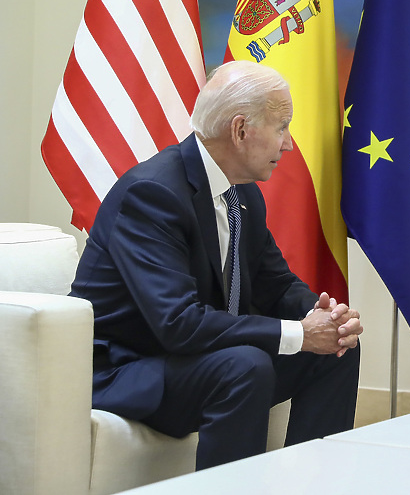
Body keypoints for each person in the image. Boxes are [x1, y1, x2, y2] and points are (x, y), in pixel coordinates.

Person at [71, 61, 362, 469]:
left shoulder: (242, 194)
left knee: (338, 350)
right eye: (281, 127)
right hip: (130, 370)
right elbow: (178, 323)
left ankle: (310, 484)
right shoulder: (153, 194)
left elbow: (276, 286)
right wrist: (299, 333)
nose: (289, 144)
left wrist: (325, 320)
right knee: (245, 366)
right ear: (241, 130)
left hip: (193, 362)